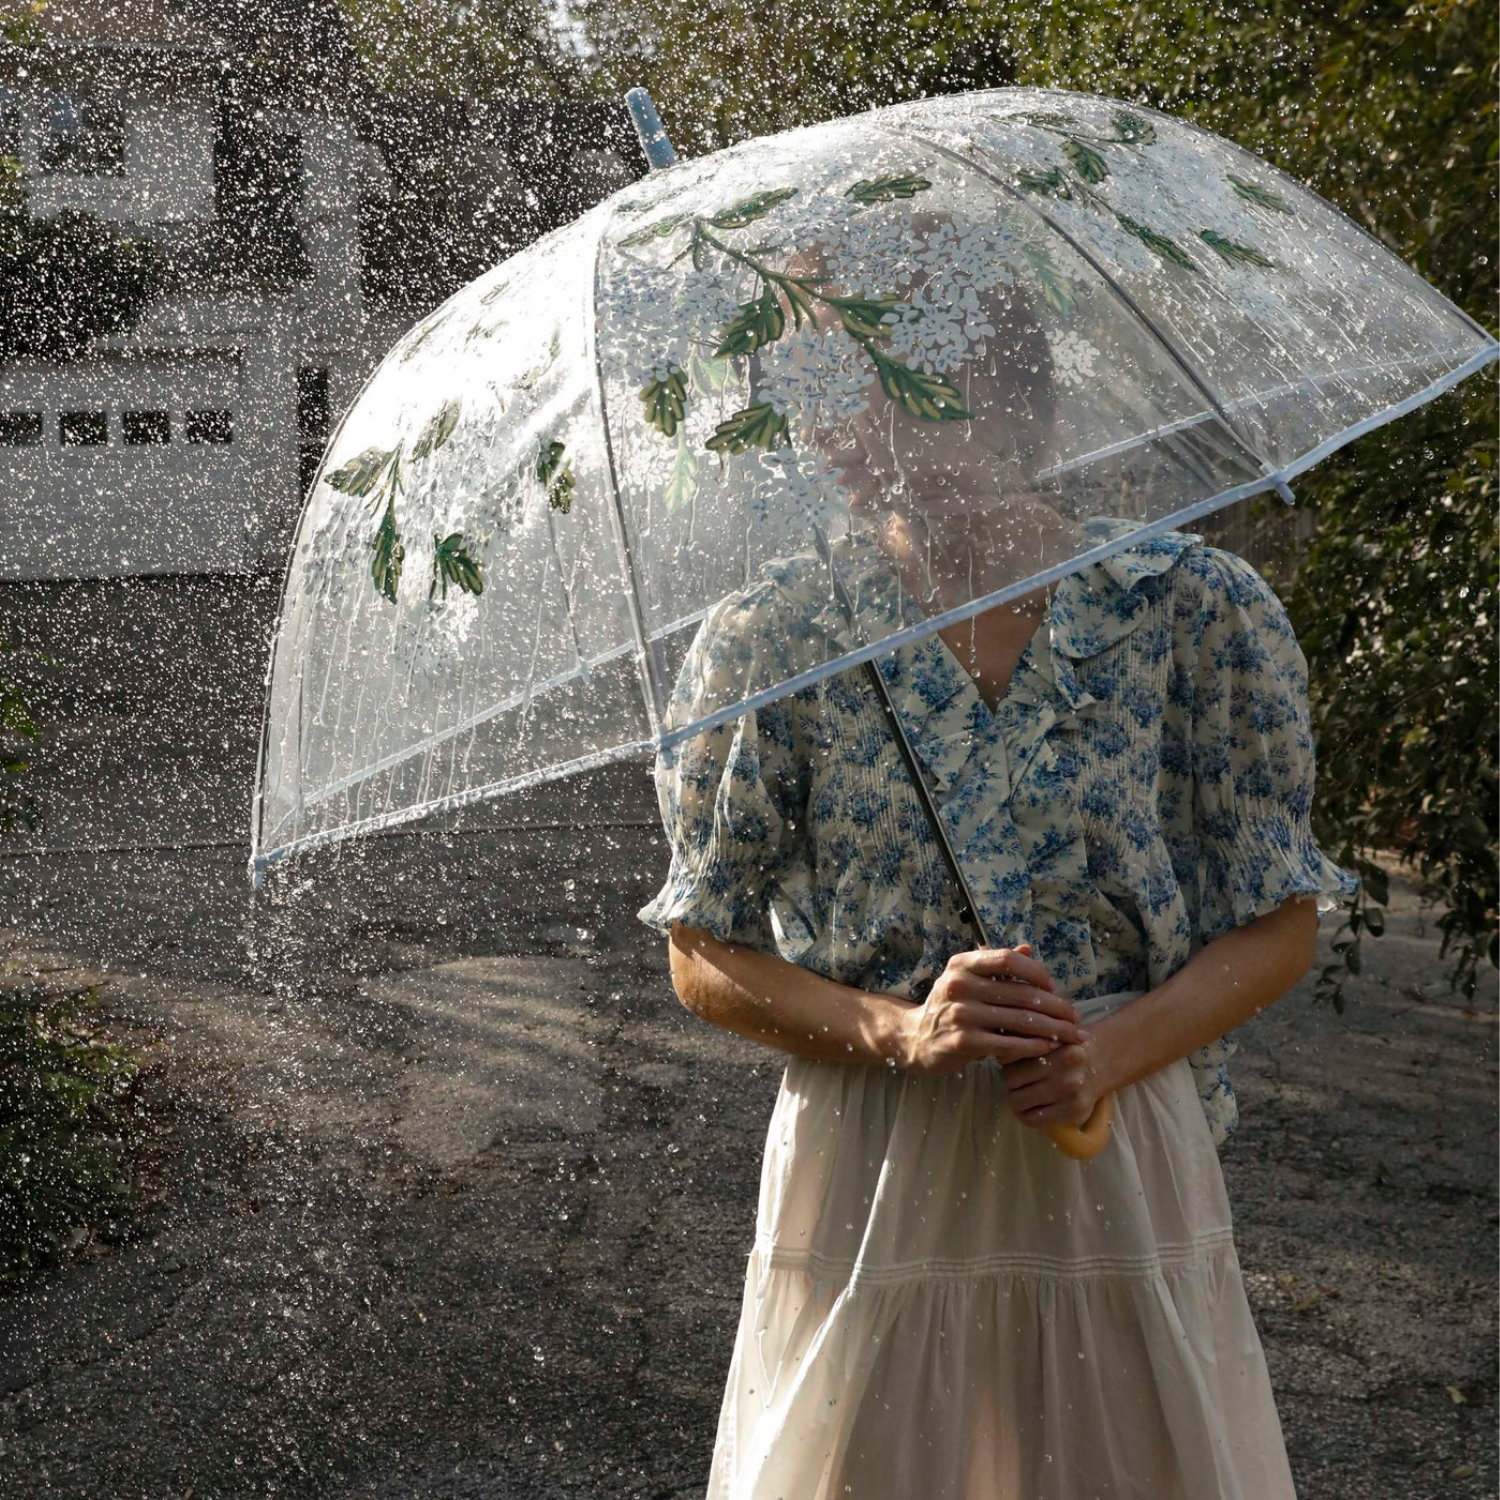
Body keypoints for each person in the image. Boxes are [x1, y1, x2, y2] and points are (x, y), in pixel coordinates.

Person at [638, 269, 1359, 1499]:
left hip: (1114, 1156)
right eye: (824, 394)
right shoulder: (775, 640)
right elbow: (700, 950)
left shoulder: (1196, 612)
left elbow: (1276, 922)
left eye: (893, 392)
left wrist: (1110, 1052)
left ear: (1021, 402)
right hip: (872, 1169)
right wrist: (898, 1029)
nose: (850, 434)